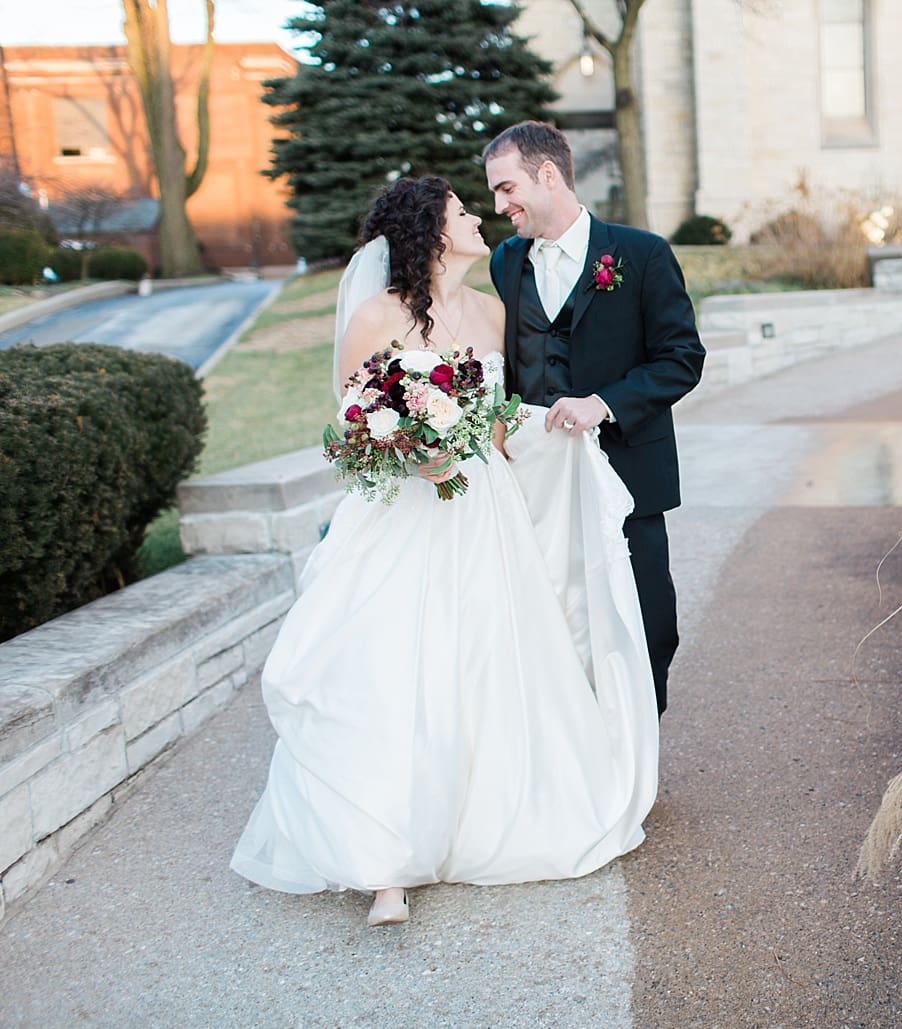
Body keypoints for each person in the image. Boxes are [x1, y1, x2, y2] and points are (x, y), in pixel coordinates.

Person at [230, 176, 658, 927]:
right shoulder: (372, 318)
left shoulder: (491, 314)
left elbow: (494, 426)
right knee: (395, 666)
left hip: (482, 509)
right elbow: (352, 430)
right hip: (401, 514)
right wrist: (410, 451)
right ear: (430, 233)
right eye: (464, 212)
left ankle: (486, 818)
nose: (478, 218)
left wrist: (554, 444)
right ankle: (383, 861)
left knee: (487, 659)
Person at [483, 122, 705, 717]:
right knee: (558, 621)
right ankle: (586, 762)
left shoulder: (642, 254)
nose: (499, 207)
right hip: (539, 481)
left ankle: (641, 748)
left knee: (648, 620)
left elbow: (683, 359)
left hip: (629, 470)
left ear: (547, 175)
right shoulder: (505, 263)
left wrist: (603, 403)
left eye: (507, 189)